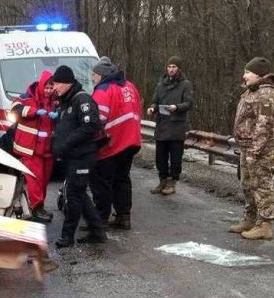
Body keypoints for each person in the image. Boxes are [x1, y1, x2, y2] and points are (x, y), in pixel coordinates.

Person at [50, 65, 107, 248]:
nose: (54, 87)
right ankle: (97, 231)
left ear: (67, 83)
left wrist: (66, 143)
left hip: (82, 157)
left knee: (74, 196)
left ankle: (67, 237)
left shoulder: (82, 100)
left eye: (57, 83)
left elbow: (90, 126)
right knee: (79, 194)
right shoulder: (66, 101)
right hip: (73, 157)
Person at [231, 57, 274, 241]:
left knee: (262, 185)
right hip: (247, 147)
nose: (244, 76)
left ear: (259, 74)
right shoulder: (251, 91)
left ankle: (265, 225)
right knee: (247, 184)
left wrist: (255, 151)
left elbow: (264, 125)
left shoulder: (267, 94)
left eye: (247, 72)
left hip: (261, 150)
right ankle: (250, 219)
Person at [90, 58, 142, 229]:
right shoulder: (129, 86)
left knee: (102, 180)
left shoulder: (103, 90)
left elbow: (98, 119)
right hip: (131, 140)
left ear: (101, 75)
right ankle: (123, 215)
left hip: (112, 141)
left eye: (94, 75)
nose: (92, 78)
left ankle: (101, 218)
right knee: (122, 179)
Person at [10, 70, 58, 222]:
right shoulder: (26, 97)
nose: (49, 91)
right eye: (47, 87)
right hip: (30, 148)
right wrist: (35, 112)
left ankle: (39, 206)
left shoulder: (55, 100)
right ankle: (36, 208)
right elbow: (15, 110)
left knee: (43, 180)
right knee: (34, 180)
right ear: (42, 85)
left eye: (51, 88)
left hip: (47, 149)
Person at [146, 56, 194, 195]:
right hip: (162, 126)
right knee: (160, 157)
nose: (171, 69)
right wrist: (152, 109)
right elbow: (155, 101)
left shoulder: (185, 84)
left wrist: (177, 107)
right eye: (169, 67)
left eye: (174, 67)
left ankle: (172, 182)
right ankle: (162, 181)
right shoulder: (161, 84)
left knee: (175, 157)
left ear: (179, 69)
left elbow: (189, 103)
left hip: (177, 126)